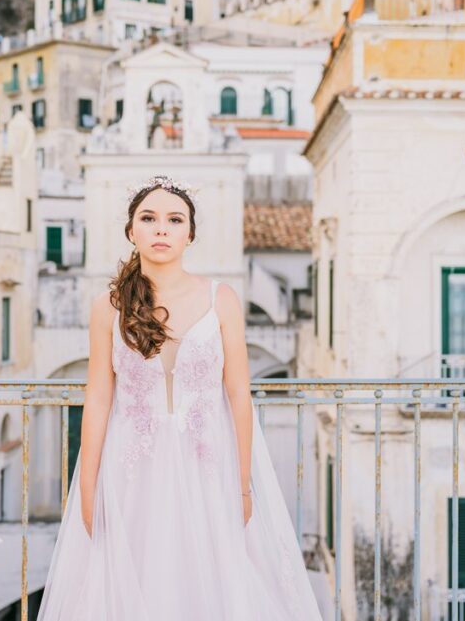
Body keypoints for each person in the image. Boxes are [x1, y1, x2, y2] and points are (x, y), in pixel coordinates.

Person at [37, 175, 323, 620]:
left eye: (174, 219)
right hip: (132, 470)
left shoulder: (221, 299)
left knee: (211, 584)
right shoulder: (107, 308)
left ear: (190, 234)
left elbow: (239, 395)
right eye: (148, 218)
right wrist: (89, 486)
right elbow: (97, 399)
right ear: (132, 231)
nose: (161, 229)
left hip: (207, 465)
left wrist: (243, 482)